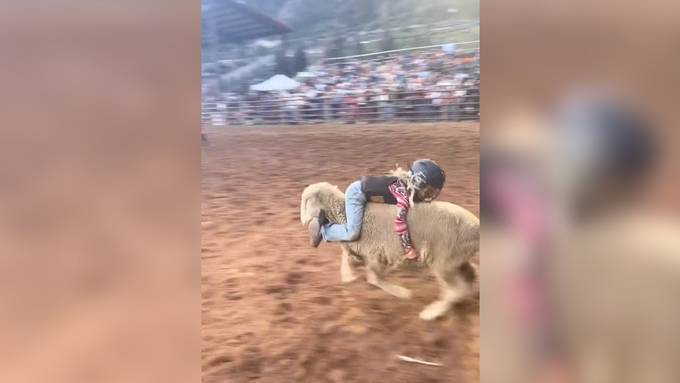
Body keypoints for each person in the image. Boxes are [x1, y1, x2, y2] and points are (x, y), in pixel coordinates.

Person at [308, 159, 446, 259]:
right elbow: (400, 223)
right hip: (357, 194)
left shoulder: (405, 187)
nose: (431, 194)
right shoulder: (403, 194)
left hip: (366, 191)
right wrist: (408, 248)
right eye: (430, 190)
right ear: (419, 182)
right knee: (352, 232)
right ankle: (323, 230)